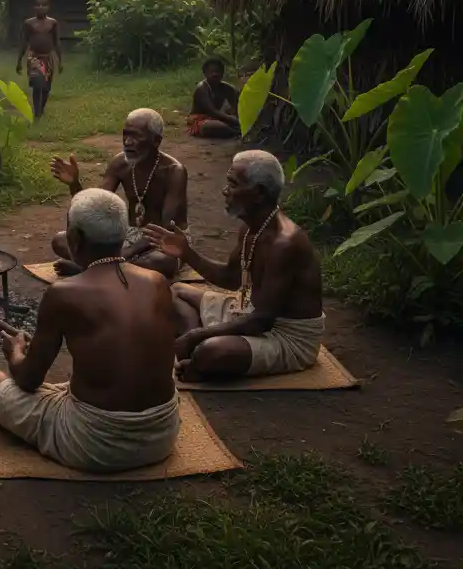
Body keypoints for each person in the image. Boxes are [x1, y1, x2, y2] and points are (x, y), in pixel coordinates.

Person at [0, 189, 179, 473]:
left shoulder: (64, 293)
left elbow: (28, 380)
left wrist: (14, 353)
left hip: (95, 442)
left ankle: (10, 421)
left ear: (75, 238)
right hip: (161, 435)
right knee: (70, 386)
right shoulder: (158, 282)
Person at [145, 150, 324, 383]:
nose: (225, 190)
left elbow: (262, 320)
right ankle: (194, 348)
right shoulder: (251, 227)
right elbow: (230, 278)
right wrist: (186, 253)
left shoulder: (285, 244)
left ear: (259, 192)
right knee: (176, 292)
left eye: (233, 183)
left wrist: (198, 335)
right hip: (246, 312)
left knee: (212, 351)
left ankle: (198, 351)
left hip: (284, 336)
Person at [49, 108, 187, 279]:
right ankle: (116, 269)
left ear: (156, 141)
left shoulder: (174, 171)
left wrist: (126, 252)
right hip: (129, 234)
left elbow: (166, 228)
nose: (127, 142)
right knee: (61, 240)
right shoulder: (120, 163)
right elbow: (94, 208)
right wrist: (74, 184)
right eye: (125, 135)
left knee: (161, 262)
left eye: (136, 137)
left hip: (163, 240)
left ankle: (89, 269)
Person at [16, 0, 62, 119]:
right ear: (33, 7)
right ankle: (37, 113)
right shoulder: (29, 23)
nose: (40, 7)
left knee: (46, 88)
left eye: (43, 5)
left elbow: (56, 42)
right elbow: (24, 42)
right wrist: (19, 61)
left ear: (48, 7)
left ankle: (41, 108)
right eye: (37, 5)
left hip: (48, 58)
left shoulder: (52, 23)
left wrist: (60, 61)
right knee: (37, 84)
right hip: (34, 58)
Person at [188, 57, 241, 138]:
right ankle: (236, 132)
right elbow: (212, 111)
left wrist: (237, 117)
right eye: (212, 72)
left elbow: (237, 105)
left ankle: (234, 130)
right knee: (211, 126)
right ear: (205, 73)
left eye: (218, 71)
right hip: (201, 120)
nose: (215, 74)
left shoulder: (228, 88)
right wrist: (233, 120)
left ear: (223, 73)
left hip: (219, 118)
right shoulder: (202, 88)